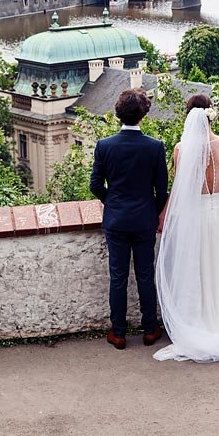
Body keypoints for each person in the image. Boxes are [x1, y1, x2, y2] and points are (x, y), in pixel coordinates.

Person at [154, 94, 219, 363]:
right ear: (212, 114)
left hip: (195, 214)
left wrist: (163, 216)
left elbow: (178, 189)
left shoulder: (181, 149)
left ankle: (200, 323)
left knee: (198, 267)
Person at [89, 88, 168, 350]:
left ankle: (119, 333)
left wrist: (112, 201)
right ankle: (150, 329)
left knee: (118, 277)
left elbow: (95, 185)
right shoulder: (155, 147)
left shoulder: (104, 146)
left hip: (116, 220)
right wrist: (152, 211)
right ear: (143, 114)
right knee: (145, 275)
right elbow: (162, 190)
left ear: (118, 114)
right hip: (144, 219)